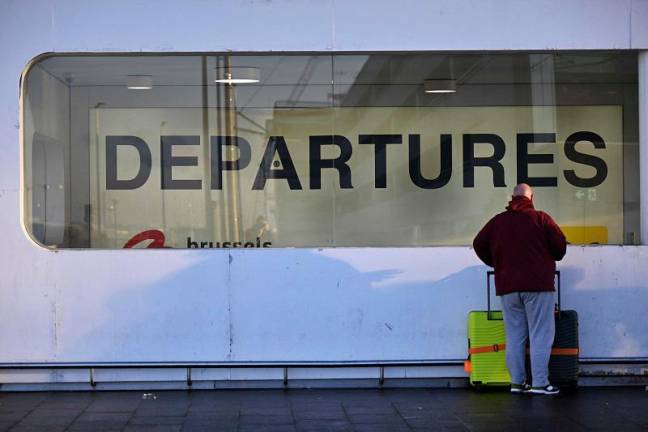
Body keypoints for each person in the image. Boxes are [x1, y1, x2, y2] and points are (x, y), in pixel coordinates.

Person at [473, 183, 567, 395]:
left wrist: (497, 263)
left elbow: (478, 243)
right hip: (538, 286)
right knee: (540, 335)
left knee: (514, 335)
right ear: (531, 197)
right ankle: (540, 384)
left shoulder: (498, 221)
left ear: (511, 198)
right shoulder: (541, 218)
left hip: (507, 287)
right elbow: (560, 247)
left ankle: (517, 383)